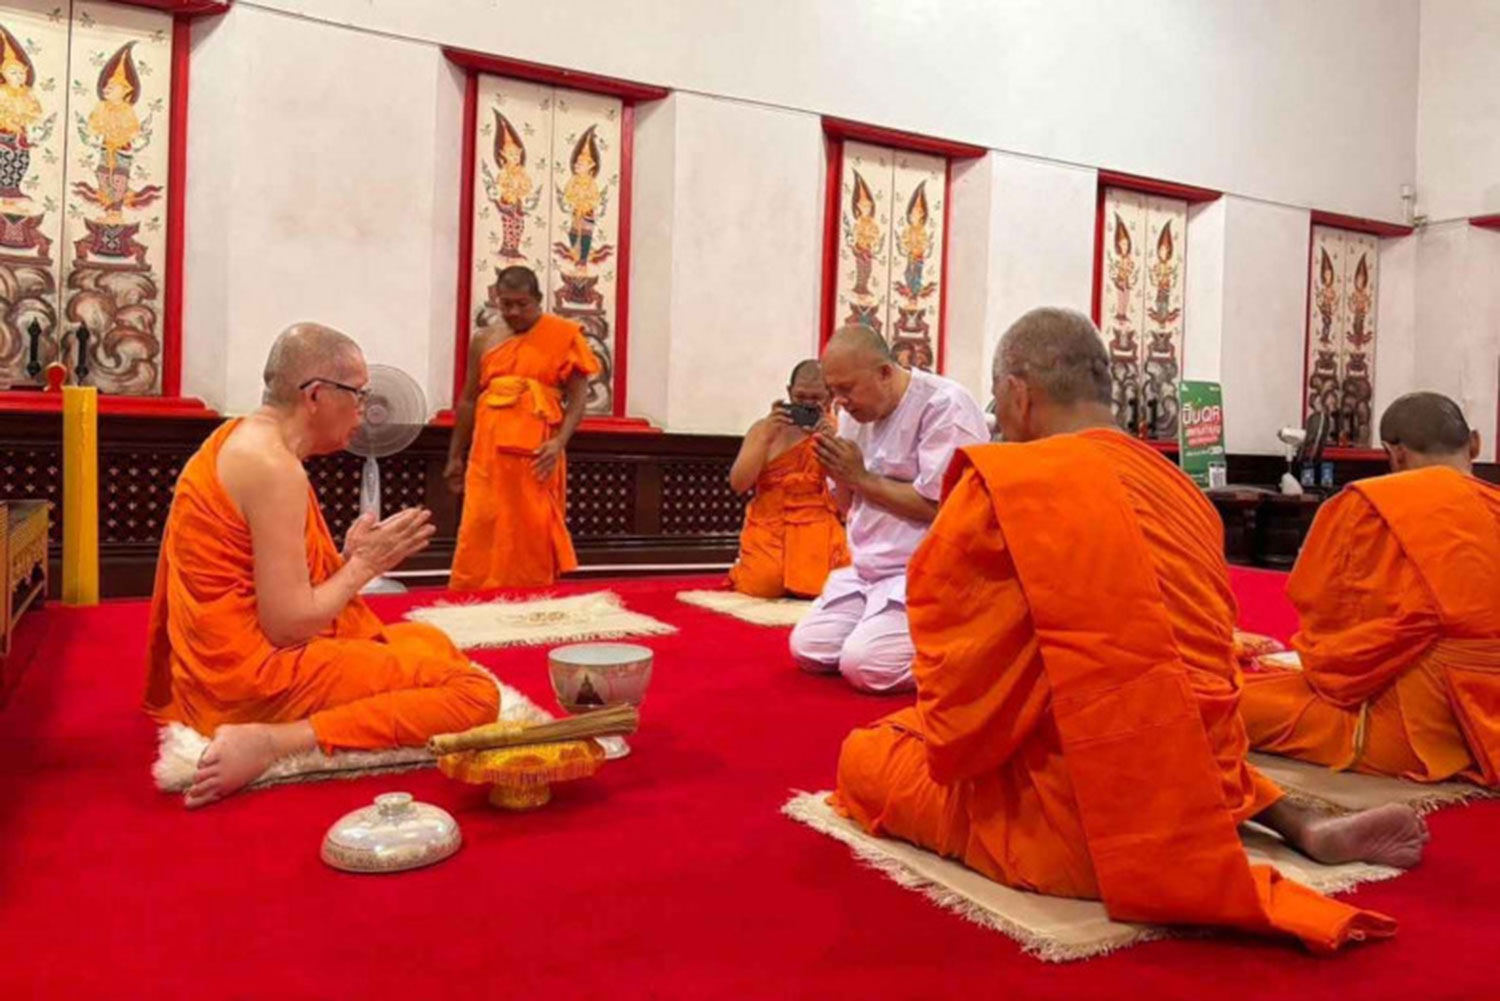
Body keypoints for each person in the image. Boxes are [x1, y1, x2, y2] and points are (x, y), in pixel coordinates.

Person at [833, 307, 1425, 950]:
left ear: (1017, 394)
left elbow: (960, 703)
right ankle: (1280, 816)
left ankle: (1230, 822)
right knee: (1170, 704)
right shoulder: (1181, 490)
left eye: (999, 406)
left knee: (870, 753)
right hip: (1195, 783)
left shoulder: (1008, 486)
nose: (998, 421)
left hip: (1074, 827)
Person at [144, 323, 499, 808]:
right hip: (252, 682)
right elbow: (288, 625)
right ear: (314, 395)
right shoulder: (272, 467)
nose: (363, 410)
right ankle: (275, 740)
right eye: (359, 394)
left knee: (430, 641)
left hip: (226, 664)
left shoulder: (243, 438)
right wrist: (364, 567)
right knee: (474, 693)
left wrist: (350, 560)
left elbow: (272, 580)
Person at [1241, 392, 1500, 784]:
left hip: (1421, 728)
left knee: (1216, 702)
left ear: (1393, 454)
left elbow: (1338, 645)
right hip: (1491, 719)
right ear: (1476, 444)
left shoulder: (1370, 507)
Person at [788, 325, 988, 693]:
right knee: (809, 649)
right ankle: (882, 628)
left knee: (865, 667)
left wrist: (860, 477)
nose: (840, 402)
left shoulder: (943, 405)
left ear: (884, 371)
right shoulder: (853, 415)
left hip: (930, 572)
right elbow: (845, 504)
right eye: (834, 391)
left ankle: (976, 650)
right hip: (868, 572)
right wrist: (837, 472)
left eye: (846, 389)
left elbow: (945, 507)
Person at [446, 265, 600, 590]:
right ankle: (475, 590)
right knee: (481, 519)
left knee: (530, 524)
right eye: (506, 304)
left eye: (522, 304)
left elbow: (578, 399)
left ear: (539, 301)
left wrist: (559, 442)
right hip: (487, 452)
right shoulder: (484, 340)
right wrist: (454, 455)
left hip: (538, 451)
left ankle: (531, 591)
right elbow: (469, 400)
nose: (514, 311)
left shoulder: (563, 336)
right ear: (496, 301)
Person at [726, 360, 849, 598]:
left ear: (830, 396)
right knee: (764, 586)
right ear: (788, 392)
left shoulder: (841, 431)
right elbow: (739, 484)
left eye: (816, 399)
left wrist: (832, 445)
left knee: (828, 589)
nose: (807, 405)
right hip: (771, 521)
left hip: (817, 522)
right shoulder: (765, 430)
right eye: (800, 398)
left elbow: (848, 495)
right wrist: (765, 439)